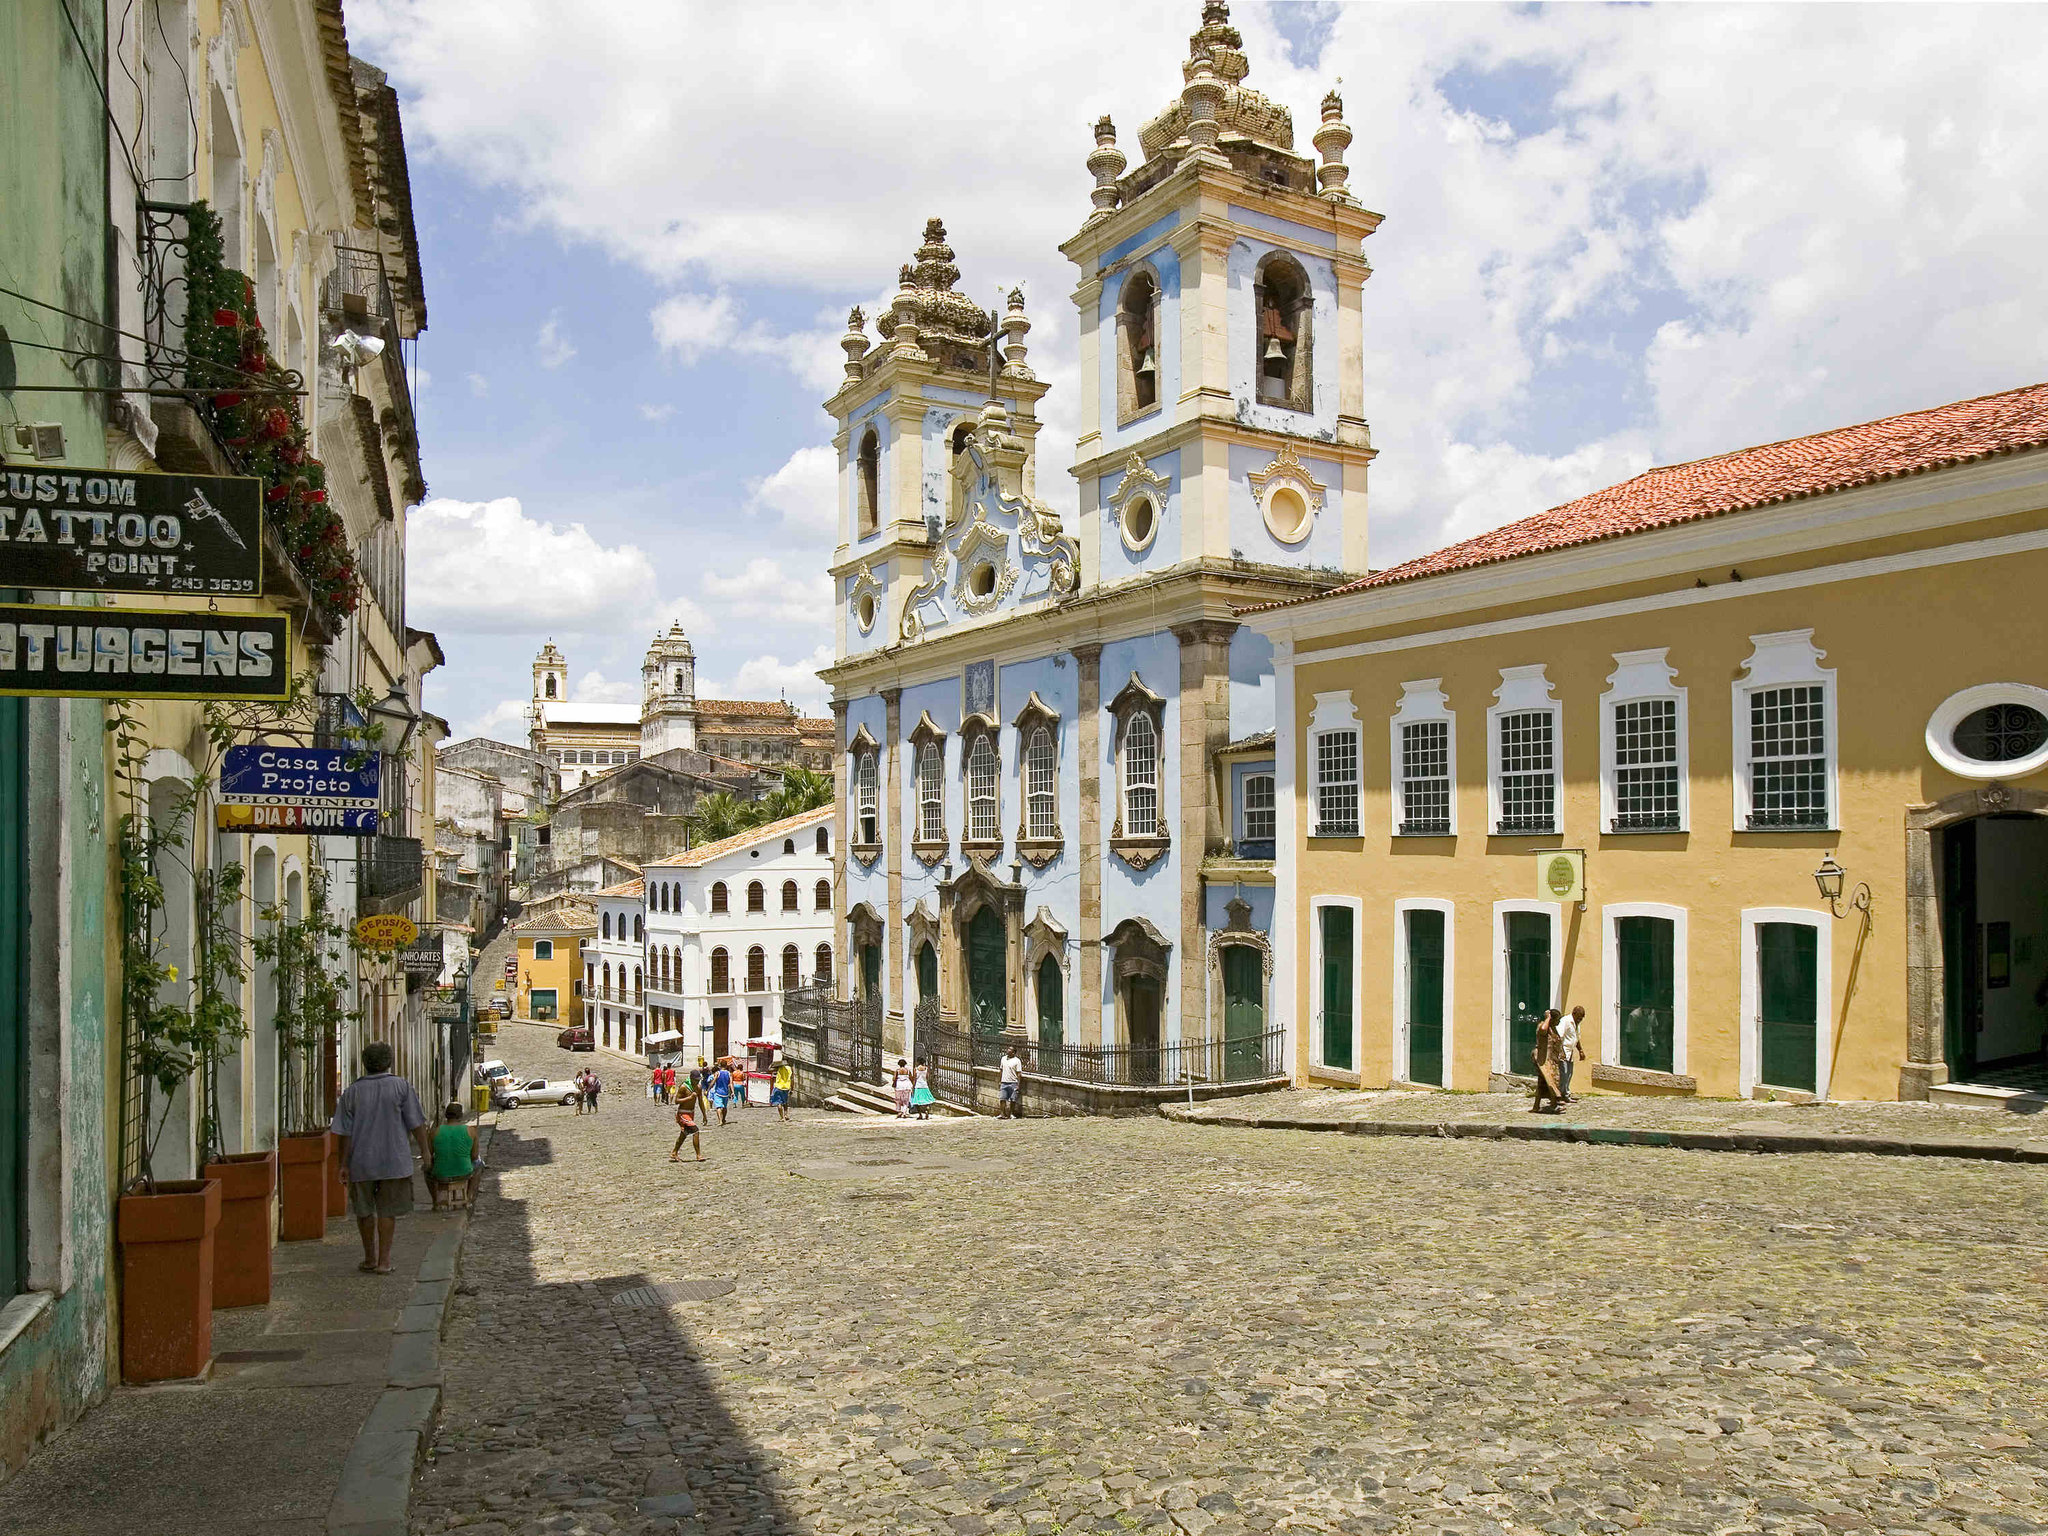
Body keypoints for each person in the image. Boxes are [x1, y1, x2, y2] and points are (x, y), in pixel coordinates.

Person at [330, 1041, 433, 1275]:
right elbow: (416, 1123)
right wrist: (426, 1151)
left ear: (365, 1063)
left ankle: (369, 1258)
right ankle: (384, 1261)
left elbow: (344, 1133)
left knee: (364, 1211)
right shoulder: (401, 1087)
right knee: (387, 1212)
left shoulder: (352, 1092)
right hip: (394, 1161)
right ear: (389, 1062)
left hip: (361, 1162)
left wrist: (343, 1164)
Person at [429, 1102, 481, 1211]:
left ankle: (435, 1201)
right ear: (461, 1115)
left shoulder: (435, 1132)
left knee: (426, 1170)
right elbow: (475, 1156)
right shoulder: (471, 1131)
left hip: (441, 1175)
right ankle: (469, 1197)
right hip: (464, 1174)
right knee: (479, 1165)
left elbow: (429, 1155)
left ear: (446, 1115)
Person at [1531, 1009, 1565, 1114]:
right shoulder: (1543, 1025)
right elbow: (1542, 1030)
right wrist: (1548, 1017)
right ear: (1552, 1019)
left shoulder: (1553, 1028)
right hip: (1542, 1059)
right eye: (1557, 1019)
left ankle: (1536, 1106)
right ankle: (1554, 1105)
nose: (1559, 1022)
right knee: (1551, 1081)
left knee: (1542, 1082)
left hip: (1551, 1059)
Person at [1558, 1004, 1589, 1103]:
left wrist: (1580, 1050)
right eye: (1579, 1018)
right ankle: (1559, 1096)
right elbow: (1559, 1036)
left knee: (1569, 1074)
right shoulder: (1565, 1021)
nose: (1579, 1020)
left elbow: (1576, 1038)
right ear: (1574, 1014)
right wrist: (1561, 1051)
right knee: (1563, 1074)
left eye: (1581, 1019)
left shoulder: (1576, 1024)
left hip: (1570, 1052)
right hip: (1563, 1052)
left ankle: (1565, 1095)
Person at [670, 1093, 703, 1162]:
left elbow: (700, 1101)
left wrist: (704, 1115)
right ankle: (698, 1155)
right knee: (695, 1130)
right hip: (683, 1113)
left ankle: (674, 1152)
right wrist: (689, 1098)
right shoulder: (683, 1088)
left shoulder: (698, 1088)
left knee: (684, 1133)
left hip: (691, 1113)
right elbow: (676, 1101)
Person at [997, 1044, 1023, 1118]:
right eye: (1008, 1049)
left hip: (1013, 1082)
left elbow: (1019, 1073)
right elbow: (1001, 1070)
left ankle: (1011, 1114)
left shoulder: (1017, 1061)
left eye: (1010, 1050)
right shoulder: (1003, 1058)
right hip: (1004, 1081)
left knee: (1013, 1099)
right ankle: (1002, 1114)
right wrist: (1000, 1081)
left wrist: (1018, 1085)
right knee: (1002, 1098)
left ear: (1013, 1052)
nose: (1008, 1051)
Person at [711, 1060, 733, 1126]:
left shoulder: (717, 1073)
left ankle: (720, 1121)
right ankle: (723, 1119)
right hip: (726, 1093)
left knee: (718, 1107)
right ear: (726, 1065)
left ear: (720, 1065)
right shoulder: (729, 1073)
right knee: (725, 1107)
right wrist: (733, 1092)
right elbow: (731, 1083)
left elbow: (713, 1081)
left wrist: (708, 1089)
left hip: (718, 1092)